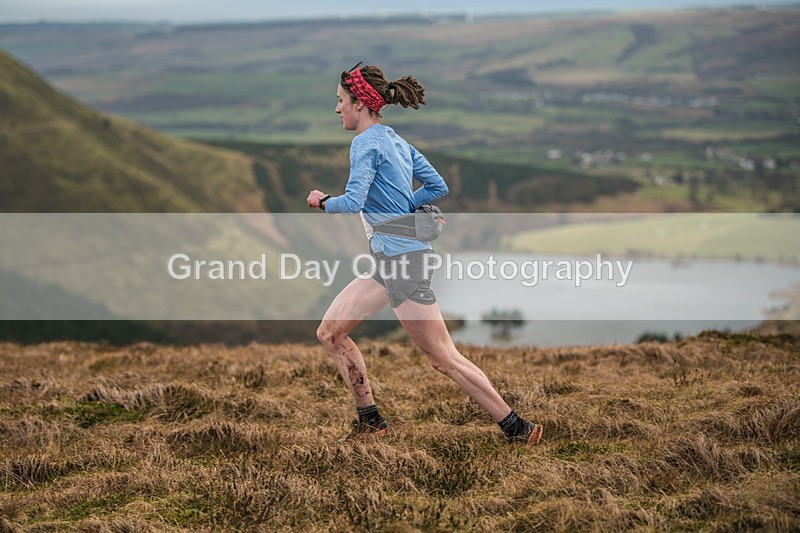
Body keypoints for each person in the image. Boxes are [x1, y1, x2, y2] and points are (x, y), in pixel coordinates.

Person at [306, 62, 542, 446]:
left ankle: (517, 427)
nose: (337, 109)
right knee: (330, 333)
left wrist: (322, 200)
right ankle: (370, 419)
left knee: (443, 357)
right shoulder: (395, 140)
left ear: (360, 104)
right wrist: (404, 212)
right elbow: (436, 185)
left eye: (340, 101)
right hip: (392, 261)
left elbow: (353, 202)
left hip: (404, 264)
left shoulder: (364, 143)